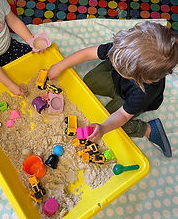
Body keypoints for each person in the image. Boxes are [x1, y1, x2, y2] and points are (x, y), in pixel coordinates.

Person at [48, 21, 178, 158]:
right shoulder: (124, 49)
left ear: (144, 79)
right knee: (89, 81)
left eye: (121, 68)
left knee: (108, 119)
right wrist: (60, 66)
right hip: (116, 81)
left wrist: (103, 128)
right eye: (116, 60)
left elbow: (122, 115)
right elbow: (87, 54)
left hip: (127, 100)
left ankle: (148, 129)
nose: (116, 64)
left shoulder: (144, 93)